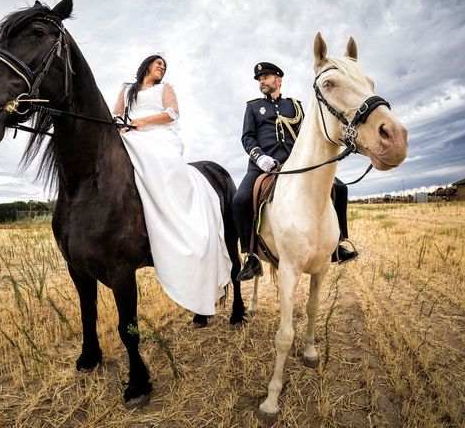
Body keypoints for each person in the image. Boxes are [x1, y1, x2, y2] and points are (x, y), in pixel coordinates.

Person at [112, 54, 232, 315]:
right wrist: (123, 127)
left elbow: (172, 113)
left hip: (159, 135)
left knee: (163, 162)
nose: (162, 67)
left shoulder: (165, 89)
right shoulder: (126, 89)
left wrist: (143, 122)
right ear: (146, 65)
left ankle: (175, 218)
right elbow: (116, 114)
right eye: (158, 64)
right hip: (129, 134)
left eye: (164, 66)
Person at [233, 62, 358, 281]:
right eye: (259, 79)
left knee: (340, 187)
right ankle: (251, 255)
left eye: (266, 77)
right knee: (240, 200)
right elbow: (247, 137)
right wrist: (260, 157)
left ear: (278, 80)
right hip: (263, 167)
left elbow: (309, 134)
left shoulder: (296, 106)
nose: (261, 81)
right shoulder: (253, 107)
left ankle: (339, 244)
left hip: (296, 164)